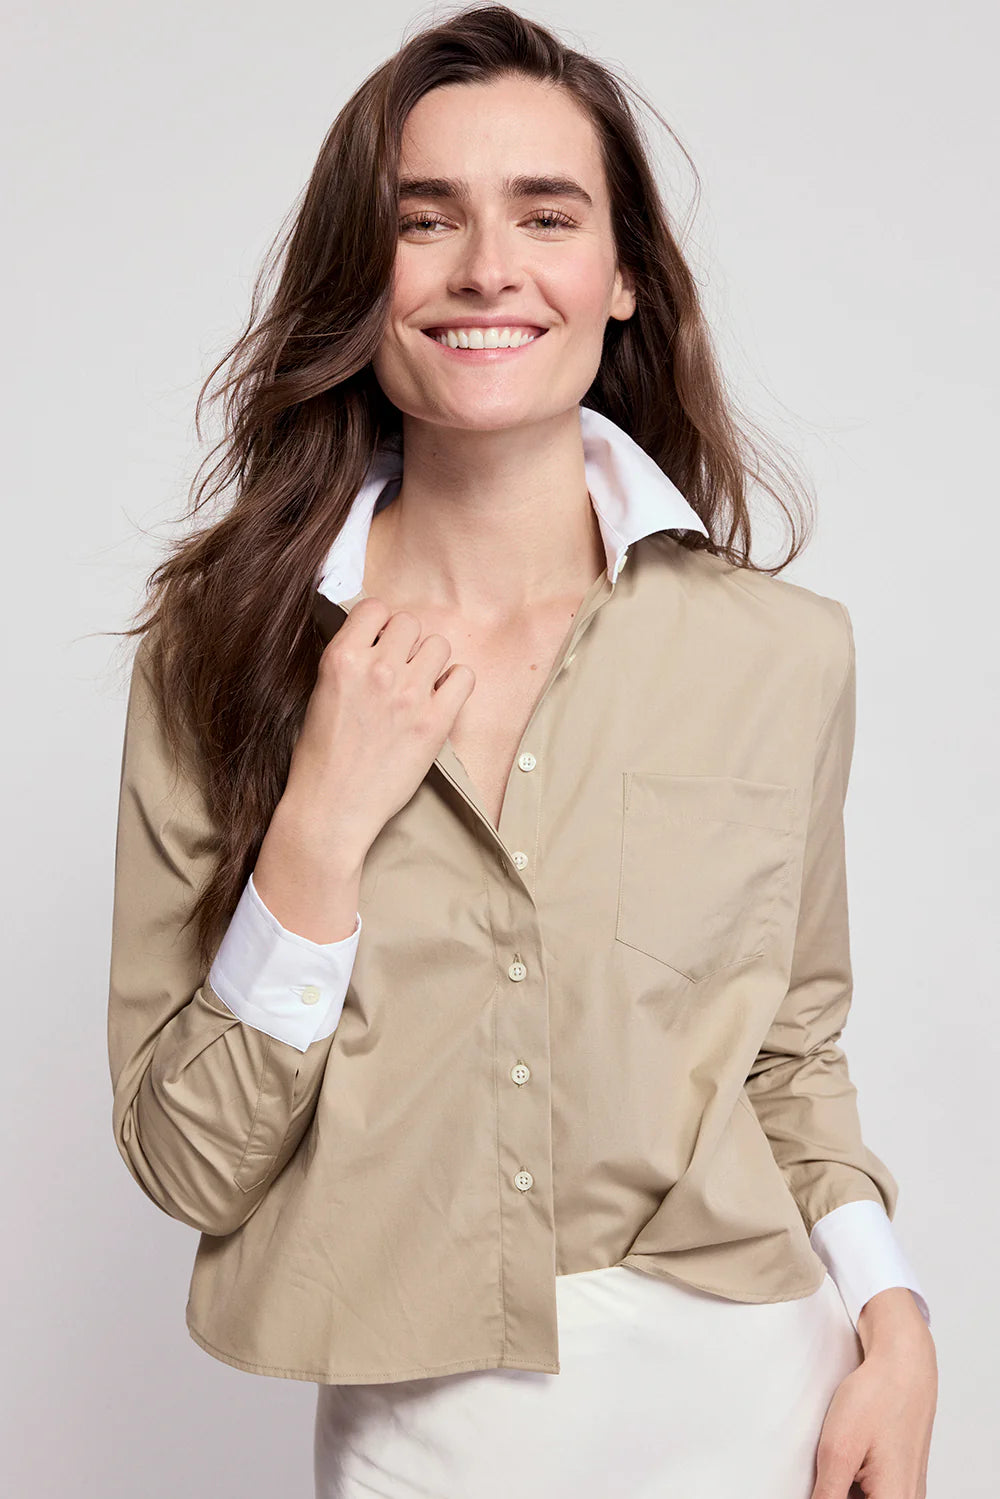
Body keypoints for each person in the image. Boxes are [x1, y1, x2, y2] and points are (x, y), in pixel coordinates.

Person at [106, 6, 938, 1497]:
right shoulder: (219, 647)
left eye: (546, 216)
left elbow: (790, 1052)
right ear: (361, 278)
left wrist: (897, 1320)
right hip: (423, 1432)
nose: (488, 268)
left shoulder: (780, 651)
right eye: (424, 220)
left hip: (764, 1397)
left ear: (622, 277)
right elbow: (188, 1164)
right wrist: (322, 819)